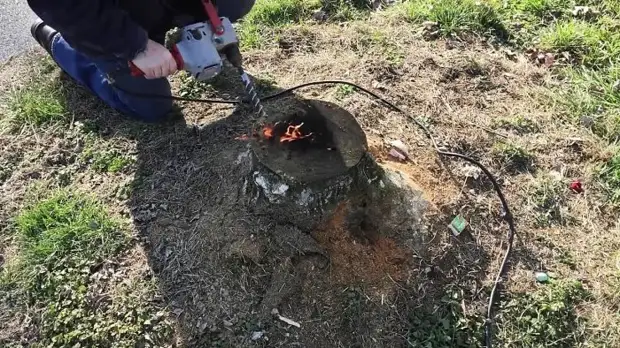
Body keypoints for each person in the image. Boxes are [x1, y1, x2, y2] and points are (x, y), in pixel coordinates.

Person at [27, 0, 255, 122]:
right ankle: (56, 40)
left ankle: (188, 24)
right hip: (110, 19)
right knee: (152, 106)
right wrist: (134, 46)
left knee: (236, 2)